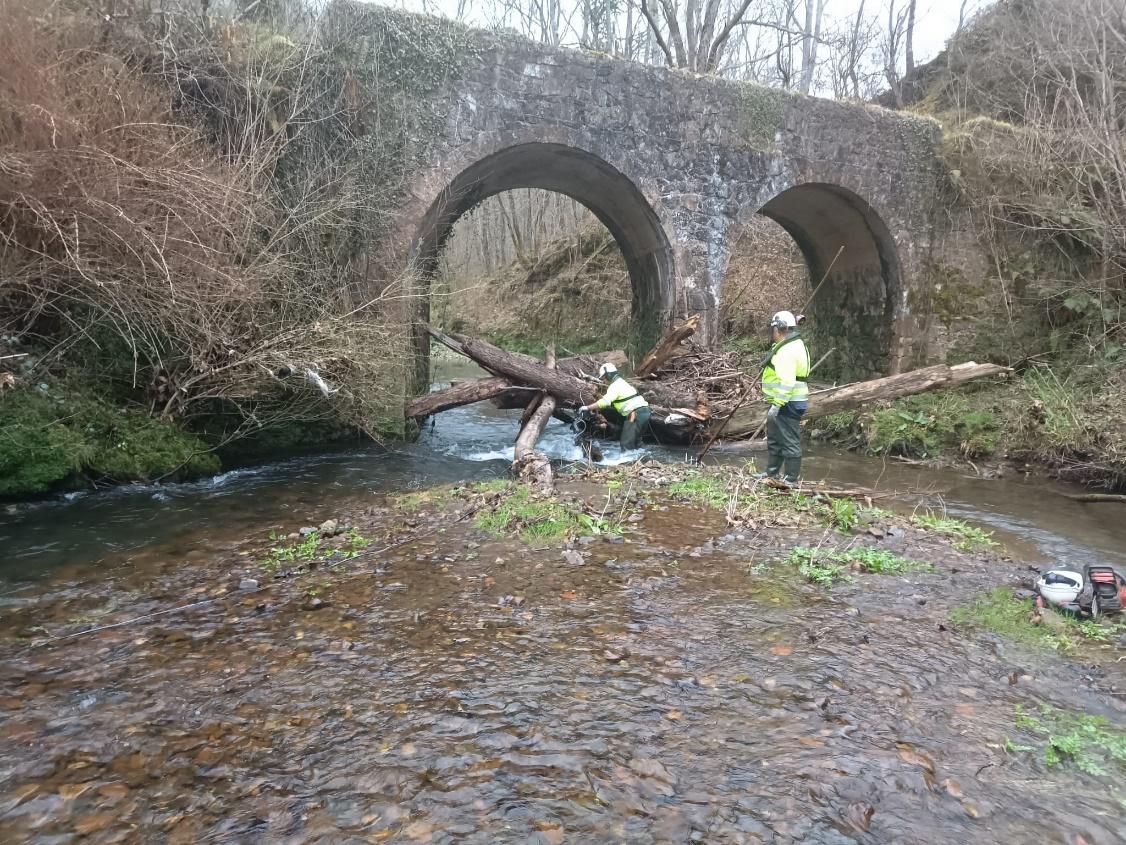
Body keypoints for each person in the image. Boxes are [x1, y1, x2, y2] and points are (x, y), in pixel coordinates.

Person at [754, 310, 810, 484]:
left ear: (779, 329)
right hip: (785, 401)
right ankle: (771, 473)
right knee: (776, 439)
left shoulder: (787, 350)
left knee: (789, 441)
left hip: (787, 402)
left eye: (773, 329)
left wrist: (777, 404)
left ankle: (791, 479)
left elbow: (787, 381)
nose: (773, 333)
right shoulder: (793, 345)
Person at [579, 362, 651, 450]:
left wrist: (587, 407)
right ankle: (646, 461)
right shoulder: (622, 383)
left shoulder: (614, 386)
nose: (604, 381)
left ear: (608, 375)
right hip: (645, 412)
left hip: (635, 414)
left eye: (604, 377)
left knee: (626, 445)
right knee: (637, 442)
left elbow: (605, 402)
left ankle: (628, 463)